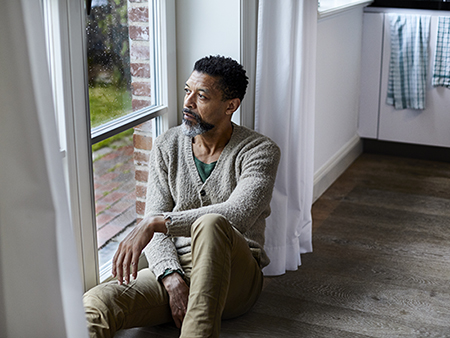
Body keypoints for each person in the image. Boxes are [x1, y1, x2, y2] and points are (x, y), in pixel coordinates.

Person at [83, 55, 281, 338]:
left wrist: (156, 222)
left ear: (230, 105)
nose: (187, 102)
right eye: (188, 91)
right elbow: (156, 219)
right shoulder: (168, 145)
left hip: (236, 274)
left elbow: (237, 214)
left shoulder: (260, 151)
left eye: (201, 96)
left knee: (212, 223)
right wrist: (170, 276)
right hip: (178, 268)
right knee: (96, 304)